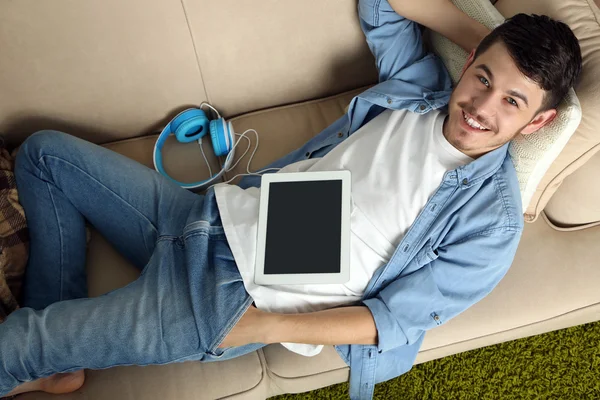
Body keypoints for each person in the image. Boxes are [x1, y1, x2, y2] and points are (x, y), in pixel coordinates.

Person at [0, 0, 582, 398]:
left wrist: (258, 328)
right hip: (205, 217)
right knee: (43, 154)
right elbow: (385, 3)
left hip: (228, 299)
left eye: (513, 102)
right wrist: (484, 46)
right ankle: (60, 363)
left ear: (539, 122)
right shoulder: (419, 90)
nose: (481, 108)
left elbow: (392, 322)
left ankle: (42, 352)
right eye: (482, 78)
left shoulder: (492, 223)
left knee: (15, 345)